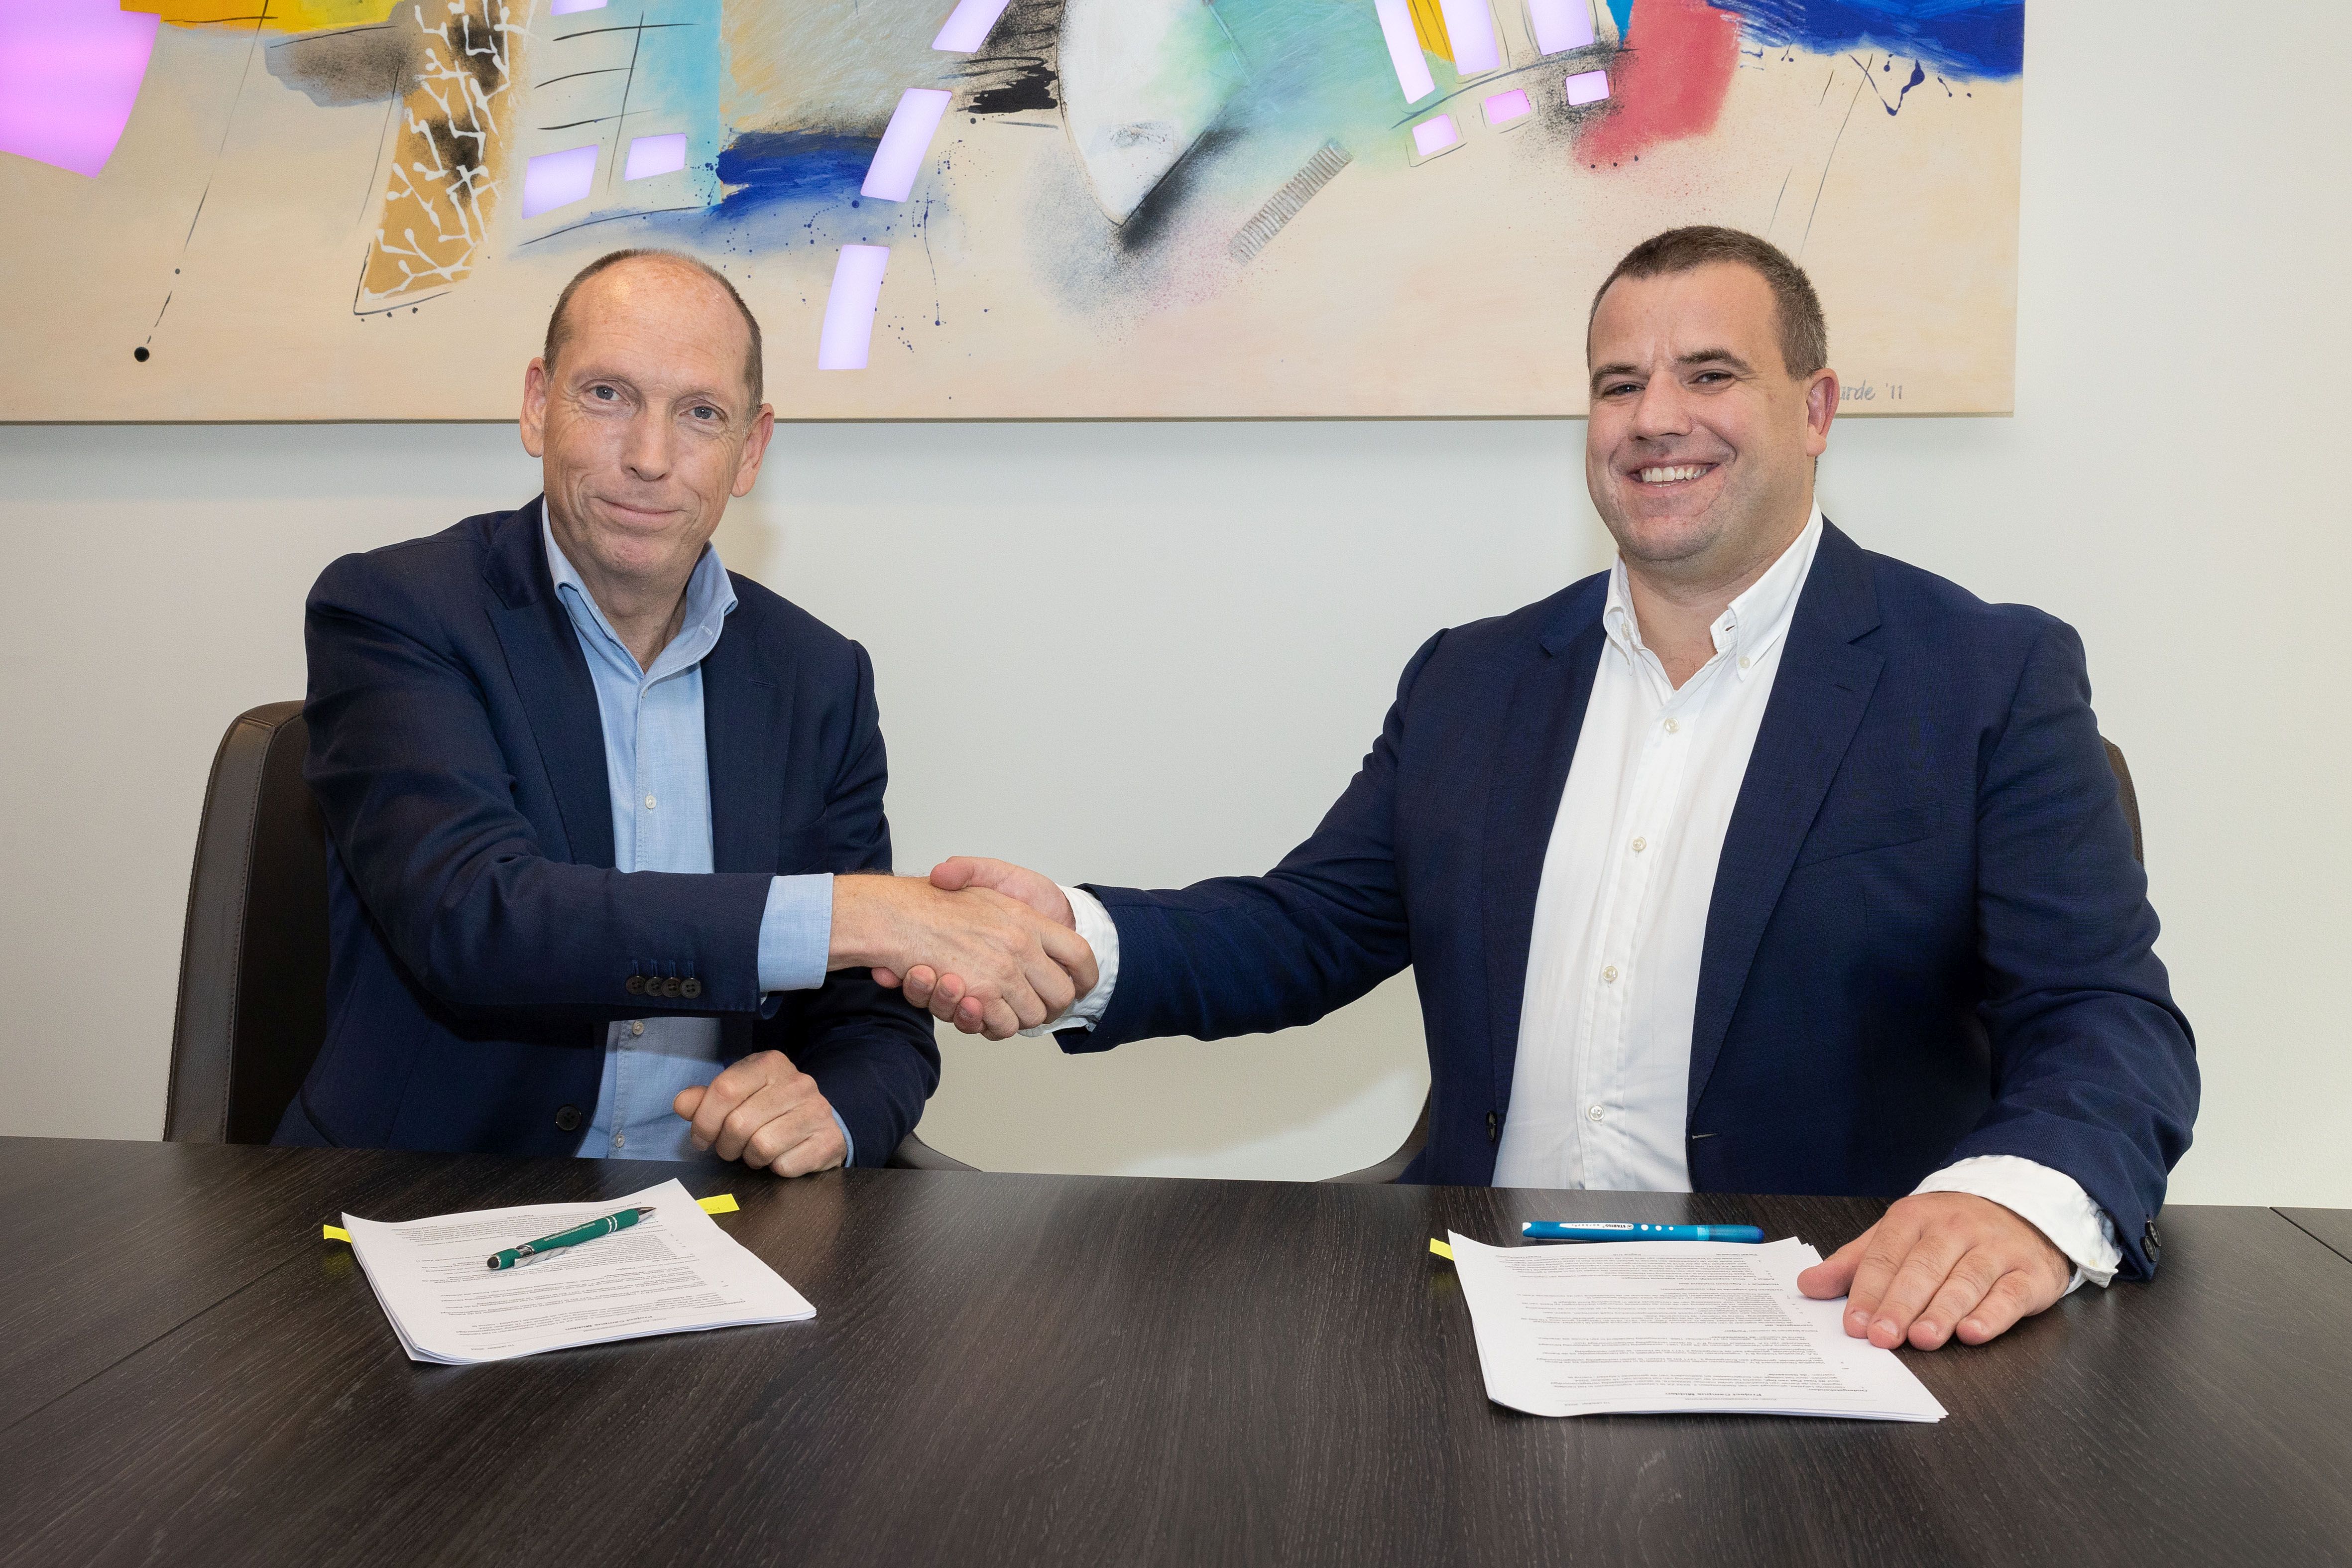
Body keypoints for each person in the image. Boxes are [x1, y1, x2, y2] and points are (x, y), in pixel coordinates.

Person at [886, 227, 2199, 1351]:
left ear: (1814, 408)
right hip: (1480, 1306)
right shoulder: (1476, 679)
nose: (1654, 416)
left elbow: (2101, 1014)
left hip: (1828, 1320)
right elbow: (1305, 929)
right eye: (1616, 382)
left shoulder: (1983, 673)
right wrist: (1071, 937)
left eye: (1710, 373)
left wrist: (2015, 1200)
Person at [278, 249, 1095, 1176]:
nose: (650, 459)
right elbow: (477, 919)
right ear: (538, 404)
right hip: (425, 1202)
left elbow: (872, 1022)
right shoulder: (397, 609)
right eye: (608, 396)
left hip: (715, 1223)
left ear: (751, 449)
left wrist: (831, 1107)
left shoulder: (818, 677)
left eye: (701, 414)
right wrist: (860, 914)